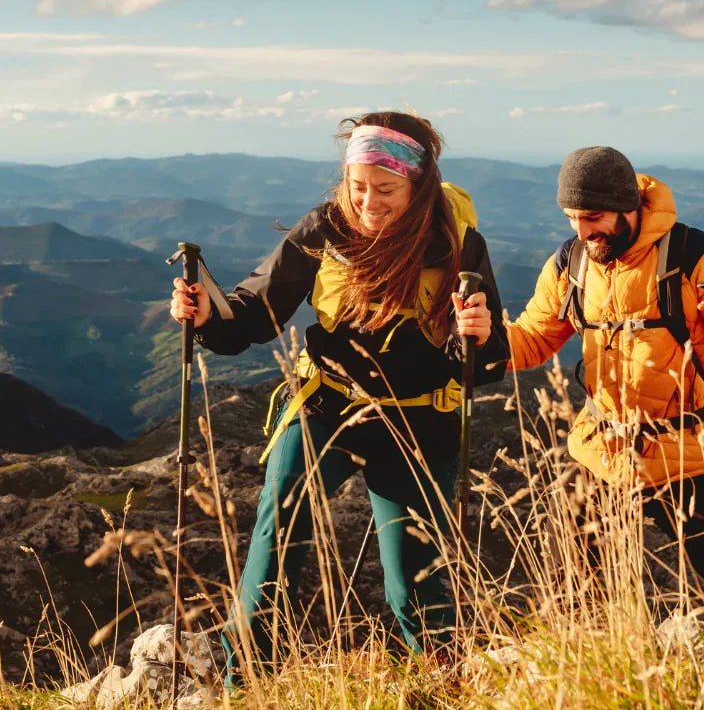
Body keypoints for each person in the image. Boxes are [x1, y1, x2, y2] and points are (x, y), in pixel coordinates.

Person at [169, 111, 509, 685]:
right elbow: (258, 310)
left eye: (386, 190)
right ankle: (246, 680)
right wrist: (208, 314)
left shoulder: (457, 245)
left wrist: (475, 335)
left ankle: (441, 681)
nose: (369, 202)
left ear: (419, 187)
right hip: (326, 404)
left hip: (417, 423)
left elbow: (486, 360)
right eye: (357, 187)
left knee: (414, 569)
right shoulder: (327, 228)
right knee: (277, 538)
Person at [507, 146, 704, 577]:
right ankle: (601, 644)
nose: (581, 231)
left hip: (692, 457)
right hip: (602, 451)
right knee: (578, 586)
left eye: (593, 218)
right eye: (571, 218)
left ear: (628, 207)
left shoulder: (695, 259)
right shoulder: (572, 263)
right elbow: (531, 339)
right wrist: (482, 338)